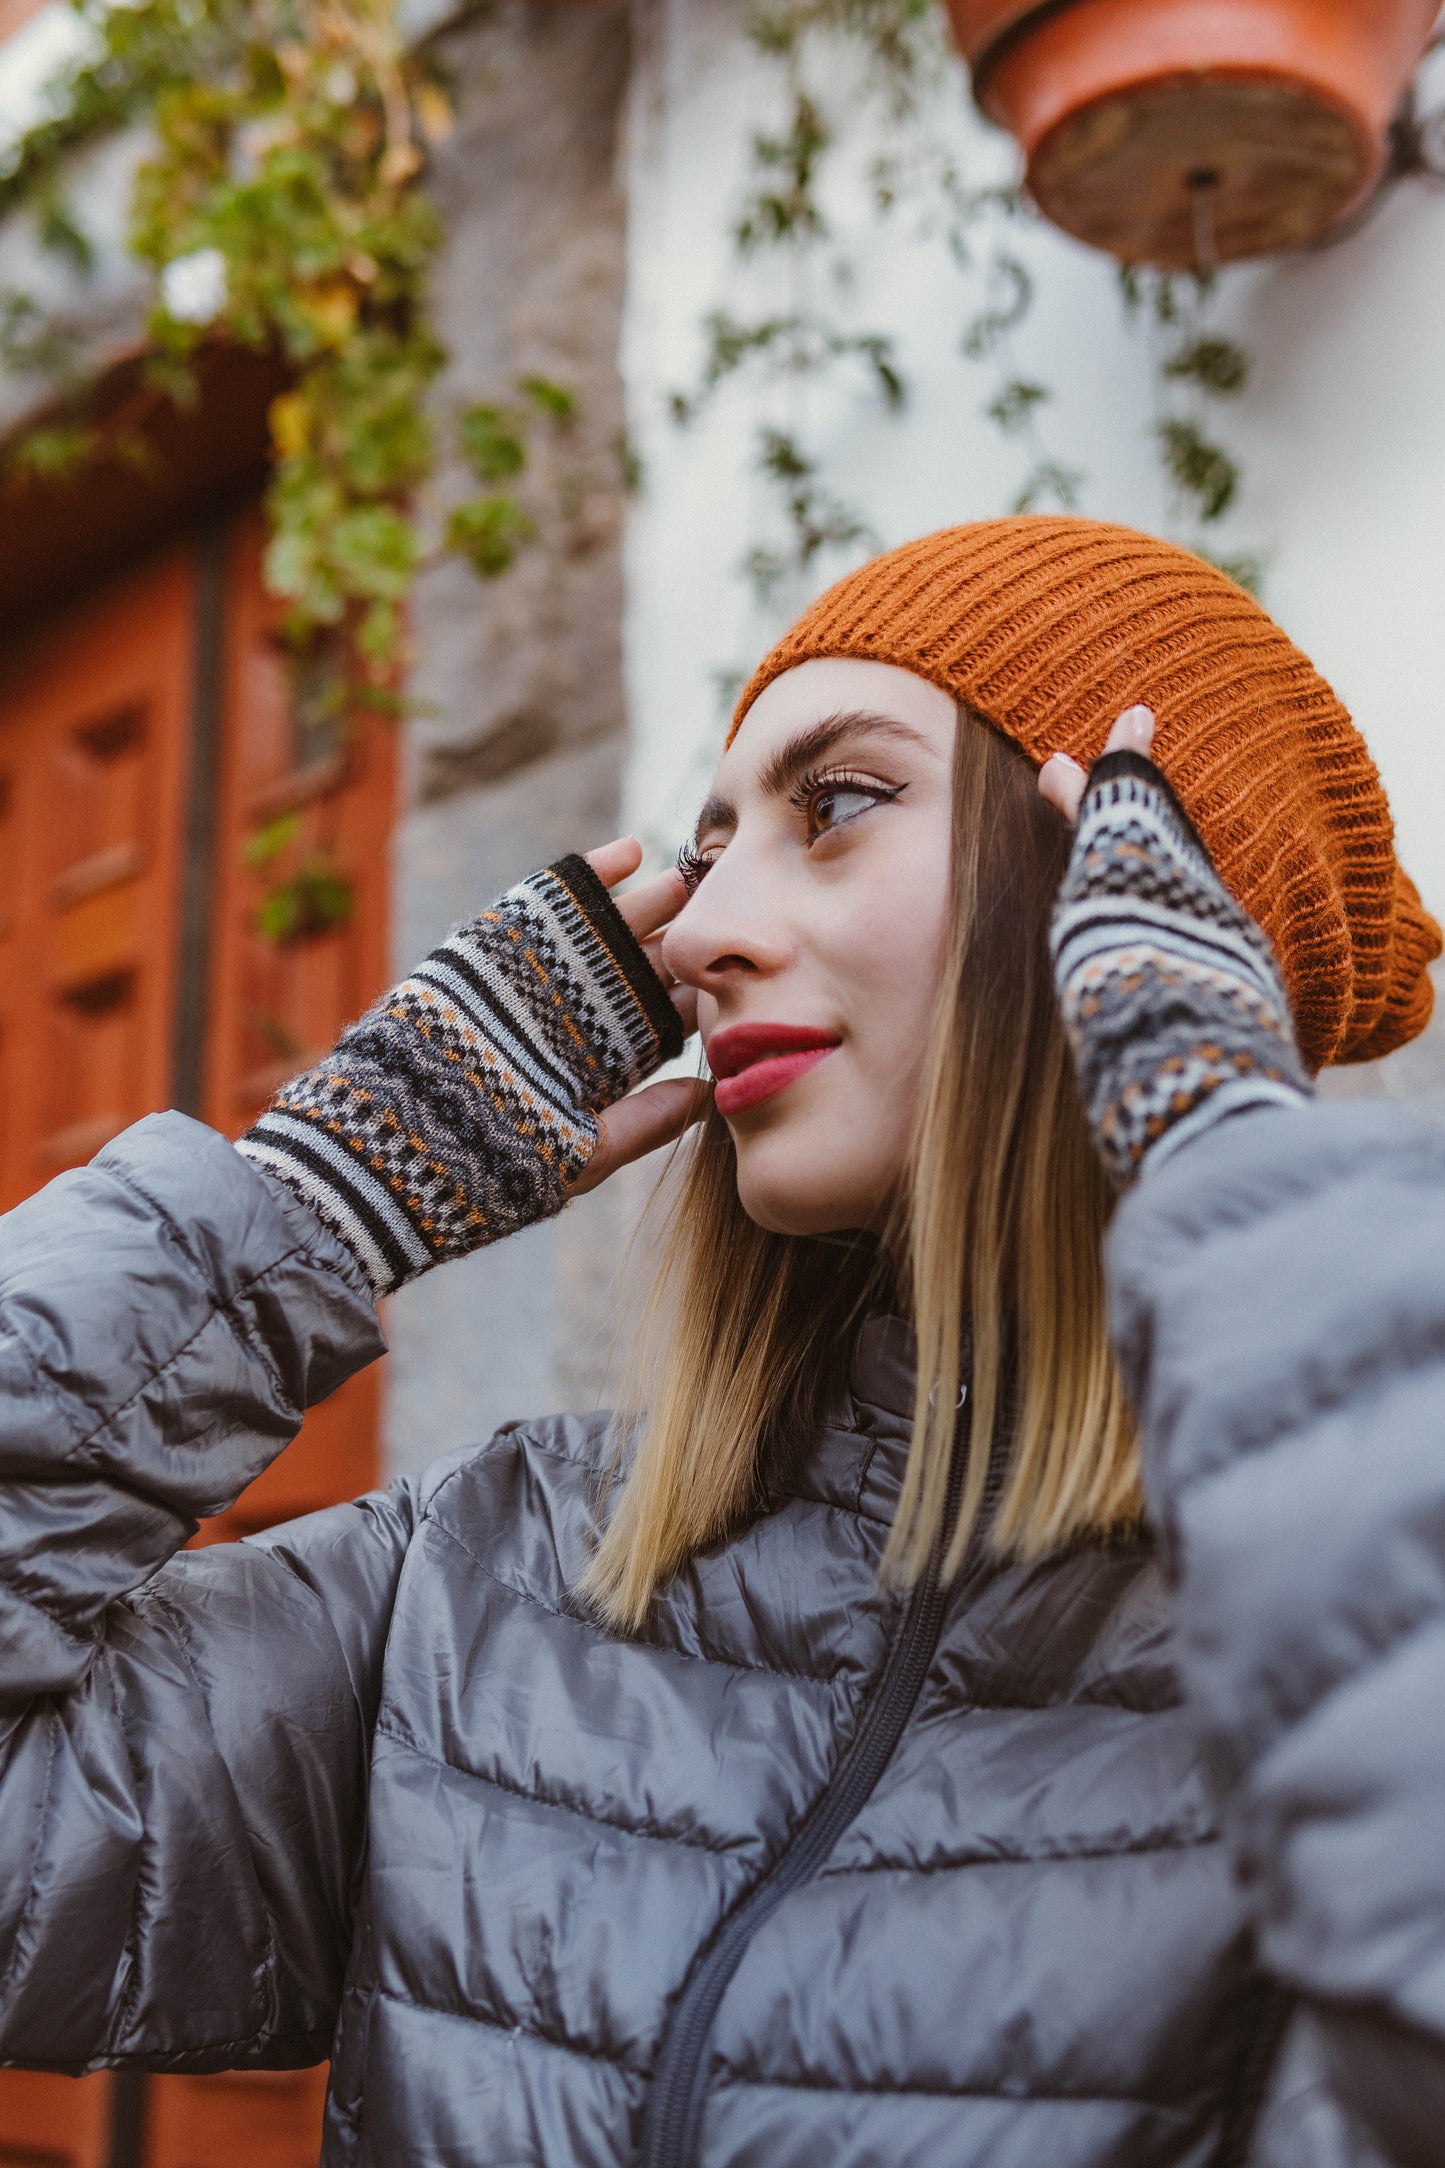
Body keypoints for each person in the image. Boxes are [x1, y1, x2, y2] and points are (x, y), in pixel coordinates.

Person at [0, 516, 1441, 2168]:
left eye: (835, 806)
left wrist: (1214, 1151)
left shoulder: (1319, 1643)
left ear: (1112, 893)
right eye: (711, 841)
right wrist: (307, 1209)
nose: (690, 932)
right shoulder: (498, 1574)